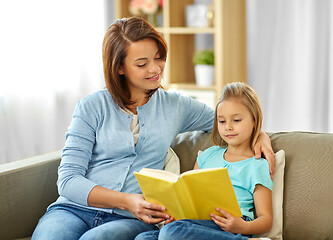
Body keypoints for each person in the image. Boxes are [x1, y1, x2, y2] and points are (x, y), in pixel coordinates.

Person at [32, 17, 274, 240]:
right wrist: (127, 200)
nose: (155, 68)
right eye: (142, 63)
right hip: (73, 209)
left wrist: (260, 135)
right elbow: (68, 180)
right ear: (120, 68)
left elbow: (227, 119)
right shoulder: (91, 106)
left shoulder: (175, 105)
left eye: (159, 57)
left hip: (130, 219)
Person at [136, 82, 273, 240]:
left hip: (233, 225)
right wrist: (178, 216)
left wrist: (243, 226)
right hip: (198, 222)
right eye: (221, 121)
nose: (228, 127)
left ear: (254, 120)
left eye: (236, 120)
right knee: (144, 238)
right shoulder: (207, 156)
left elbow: (266, 220)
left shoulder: (257, 165)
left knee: (170, 233)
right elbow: (189, 194)